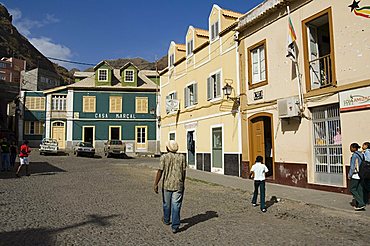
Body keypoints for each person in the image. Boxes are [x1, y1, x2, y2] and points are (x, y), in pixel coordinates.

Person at [153, 140, 187, 234]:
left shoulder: (164, 157)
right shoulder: (182, 157)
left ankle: (166, 219)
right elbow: (184, 171)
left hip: (167, 184)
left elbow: (160, 171)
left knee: (166, 204)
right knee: (176, 205)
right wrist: (183, 182)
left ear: (167, 148)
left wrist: (156, 183)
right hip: (178, 184)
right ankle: (175, 226)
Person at [348, 143, 365, 210]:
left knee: (352, 189)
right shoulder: (361, 154)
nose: (350, 149)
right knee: (359, 189)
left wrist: (349, 175)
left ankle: (361, 203)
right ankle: (360, 203)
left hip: (355, 175)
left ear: (354, 148)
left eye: (351, 147)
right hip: (361, 174)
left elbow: (352, 167)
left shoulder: (354, 155)